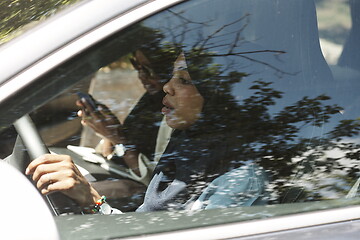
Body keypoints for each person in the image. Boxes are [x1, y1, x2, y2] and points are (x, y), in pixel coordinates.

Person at [25, 50, 267, 213]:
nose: (165, 86)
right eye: (136, 68)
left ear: (214, 94)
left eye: (184, 80)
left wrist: (92, 199)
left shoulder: (237, 181)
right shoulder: (187, 144)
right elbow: (145, 221)